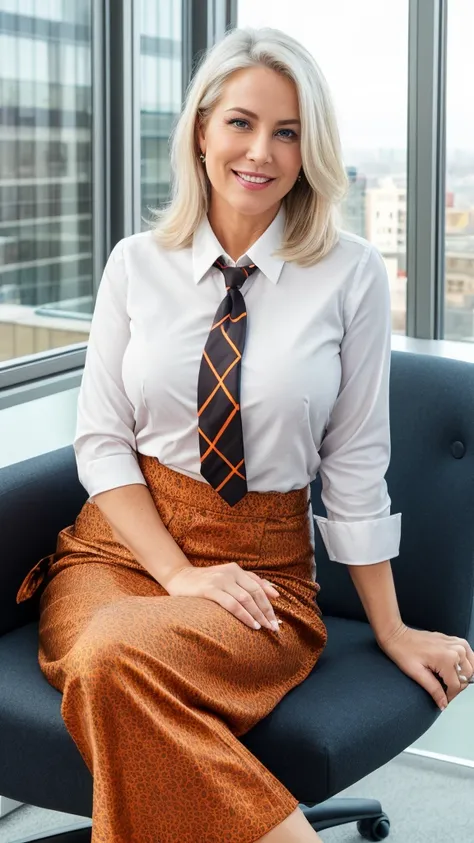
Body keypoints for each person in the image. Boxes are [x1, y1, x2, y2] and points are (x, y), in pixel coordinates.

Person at [16, 25, 474, 843]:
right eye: (240, 122)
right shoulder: (135, 263)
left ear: (309, 150)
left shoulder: (351, 273)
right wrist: (177, 572)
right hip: (116, 554)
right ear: (201, 130)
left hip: (263, 578)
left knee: (111, 662)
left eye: (287, 131)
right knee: (113, 652)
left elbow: (356, 465)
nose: (260, 151)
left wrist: (392, 626)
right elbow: (102, 443)